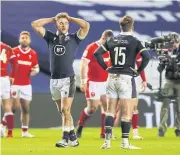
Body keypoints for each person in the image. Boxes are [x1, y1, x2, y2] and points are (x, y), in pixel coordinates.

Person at [31, 12, 90, 147]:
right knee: (63, 111)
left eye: (66, 23)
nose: (64, 25)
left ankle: (64, 139)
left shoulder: (74, 38)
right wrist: (53, 18)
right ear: (56, 24)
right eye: (61, 23)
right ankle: (74, 138)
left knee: (65, 110)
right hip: (54, 80)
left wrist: (70, 18)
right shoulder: (51, 37)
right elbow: (35, 24)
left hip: (67, 79)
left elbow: (86, 25)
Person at [94, 15, 150, 149]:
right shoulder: (135, 41)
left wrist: (106, 67)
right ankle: (125, 143)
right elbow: (146, 56)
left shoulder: (112, 40)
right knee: (126, 113)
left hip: (112, 77)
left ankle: (107, 142)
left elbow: (97, 53)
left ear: (121, 26)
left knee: (110, 111)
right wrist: (138, 71)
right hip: (126, 78)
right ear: (132, 26)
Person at [76, 30, 113, 138]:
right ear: (104, 38)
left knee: (106, 107)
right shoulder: (91, 47)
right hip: (93, 83)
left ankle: (103, 133)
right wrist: (83, 81)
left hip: (105, 82)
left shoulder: (109, 50)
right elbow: (83, 65)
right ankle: (80, 125)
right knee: (92, 108)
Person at [11, 31, 39, 138]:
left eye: (26, 38)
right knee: (13, 106)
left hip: (26, 85)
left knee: (25, 108)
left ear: (29, 40)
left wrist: (34, 72)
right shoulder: (13, 51)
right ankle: (3, 127)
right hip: (14, 84)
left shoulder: (33, 53)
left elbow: (36, 68)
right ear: (19, 40)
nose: (24, 39)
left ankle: (25, 132)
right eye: (22, 37)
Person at [113, 53, 147, 140]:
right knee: (117, 106)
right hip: (120, 79)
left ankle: (135, 134)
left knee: (134, 107)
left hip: (134, 80)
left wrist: (144, 80)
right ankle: (110, 132)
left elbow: (140, 66)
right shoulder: (119, 50)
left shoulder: (135, 50)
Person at [158, 32, 180, 137]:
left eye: (175, 41)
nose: (174, 43)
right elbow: (161, 68)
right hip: (169, 81)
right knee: (165, 105)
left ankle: (179, 129)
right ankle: (161, 130)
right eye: (172, 42)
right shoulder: (167, 51)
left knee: (179, 107)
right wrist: (161, 64)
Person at [0, 42, 16, 138]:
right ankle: (9, 133)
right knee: (7, 107)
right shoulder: (7, 47)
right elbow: (15, 62)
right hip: (5, 79)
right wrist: (12, 76)